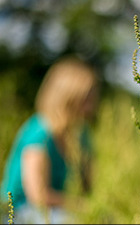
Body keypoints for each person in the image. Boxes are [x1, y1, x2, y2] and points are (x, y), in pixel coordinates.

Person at [0, 56, 99, 223]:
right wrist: (81, 205)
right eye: (86, 98)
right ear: (68, 98)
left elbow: (87, 185)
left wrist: (94, 205)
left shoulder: (81, 133)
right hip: (17, 211)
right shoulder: (40, 131)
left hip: (55, 209)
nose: (92, 105)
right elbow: (37, 196)